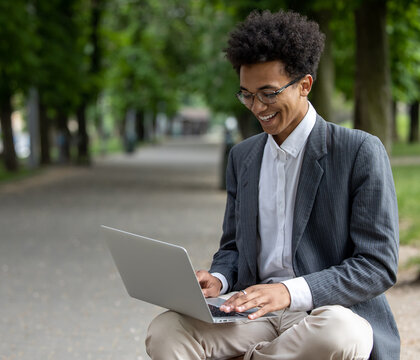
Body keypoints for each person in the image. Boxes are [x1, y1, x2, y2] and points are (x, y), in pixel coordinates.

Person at [145, 10, 399, 360]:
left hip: (322, 312)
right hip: (252, 314)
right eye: (247, 95)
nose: (257, 107)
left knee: (342, 333)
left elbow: (377, 265)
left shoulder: (359, 152)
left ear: (305, 85)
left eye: (268, 93)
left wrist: (287, 291)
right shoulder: (243, 157)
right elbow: (233, 246)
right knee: (166, 331)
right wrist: (218, 278)